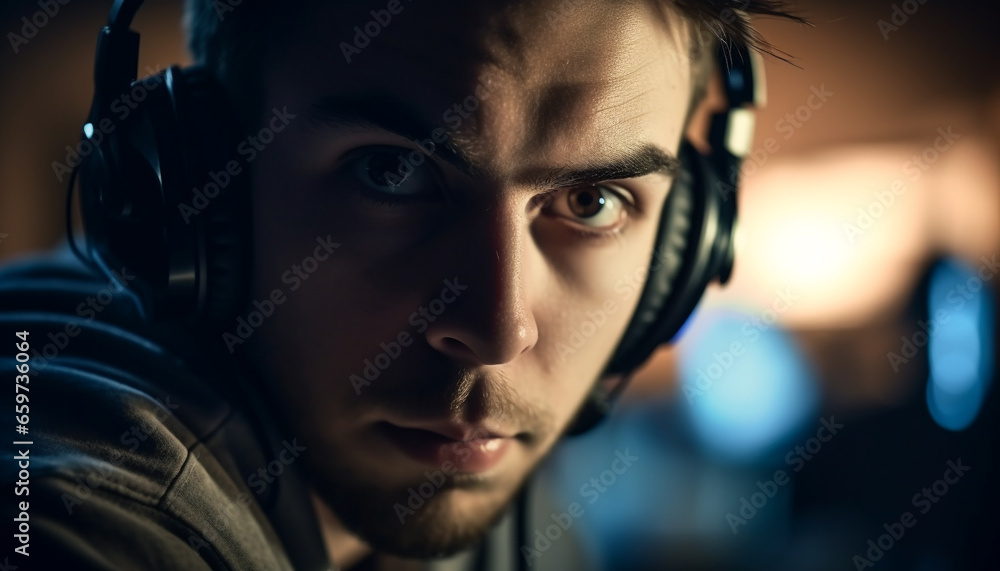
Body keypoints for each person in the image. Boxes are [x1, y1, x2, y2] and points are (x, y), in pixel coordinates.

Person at [0, 0, 803, 569]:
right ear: (193, 196)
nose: (495, 330)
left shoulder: (520, 525)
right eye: (391, 171)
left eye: (591, 202)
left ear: (687, 243)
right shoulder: (74, 519)